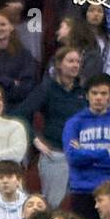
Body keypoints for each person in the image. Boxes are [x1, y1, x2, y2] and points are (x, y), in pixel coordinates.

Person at [16, 45, 87, 209]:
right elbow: (21, 114)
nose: (75, 65)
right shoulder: (47, 88)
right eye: (70, 61)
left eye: (78, 61)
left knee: (79, 207)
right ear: (59, 64)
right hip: (56, 155)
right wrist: (34, 139)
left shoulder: (83, 91)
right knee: (54, 206)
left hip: (80, 156)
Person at [62, 73, 110, 219]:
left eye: (103, 93)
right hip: (82, 190)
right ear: (87, 95)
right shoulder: (74, 123)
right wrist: (106, 152)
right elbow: (73, 157)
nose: (98, 97)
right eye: (94, 93)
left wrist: (85, 153)